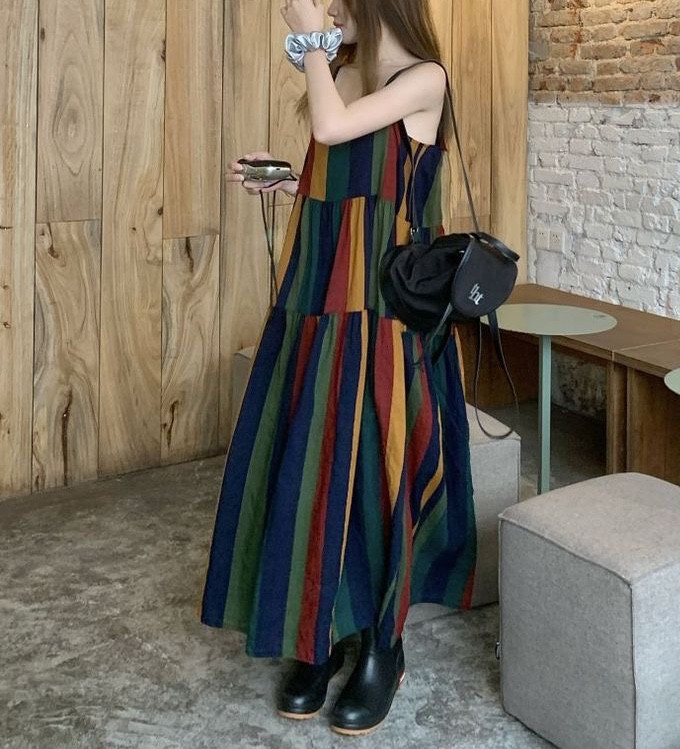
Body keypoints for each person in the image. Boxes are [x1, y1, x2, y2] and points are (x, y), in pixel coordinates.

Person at [200, 0, 476, 736]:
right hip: (320, 298)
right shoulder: (346, 74)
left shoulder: (425, 79)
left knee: (379, 472)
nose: (324, 9)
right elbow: (348, 171)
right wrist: (292, 182)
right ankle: (318, 631)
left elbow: (333, 131)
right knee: (314, 463)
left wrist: (308, 39)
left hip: (385, 312)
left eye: (334, 1)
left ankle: (384, 644)